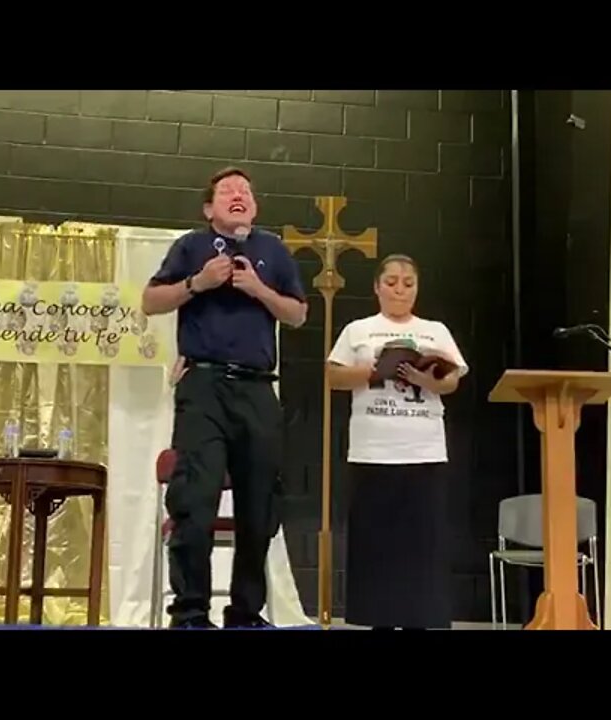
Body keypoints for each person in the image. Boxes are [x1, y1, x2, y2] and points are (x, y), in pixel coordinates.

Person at [142, 167, 307, 629]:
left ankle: (245, 613)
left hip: (257, 388)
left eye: (246, 191)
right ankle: (191, 612)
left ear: (254, 205)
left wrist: (257, 288)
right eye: (227, 191)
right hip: (204, 387)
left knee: (260, 504)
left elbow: (296, 314)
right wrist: (199, 283)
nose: (238, 196)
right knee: (195, 499)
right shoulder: (191, 247)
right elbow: (150, 301)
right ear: (209, 208)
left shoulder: (272, 250)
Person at [326, 254, 468, 630]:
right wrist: (376, 371)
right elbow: (334, 377)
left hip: (424, 451)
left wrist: (427, 380)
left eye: (408, 282)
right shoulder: (359, 330)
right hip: (373, 452)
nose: (400, 289)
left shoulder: (434, 330)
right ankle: (379, 621)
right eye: (391, 282)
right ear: (376, 287)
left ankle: (421, 620)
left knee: (422, 545)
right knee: (378, 546)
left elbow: (452, 381)